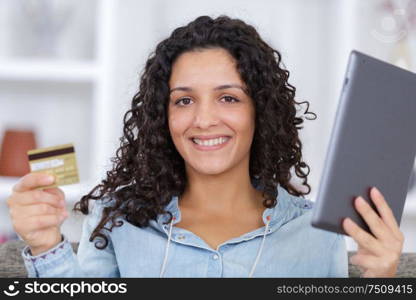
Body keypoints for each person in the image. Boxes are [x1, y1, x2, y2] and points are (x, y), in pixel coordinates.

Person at [7, 15, 404, 278]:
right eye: (184, 100)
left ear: (259, 112)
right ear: (163, 117)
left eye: (228, 98)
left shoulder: (316, 234)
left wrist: (383, 285)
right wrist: (46, 246)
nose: (203, 119)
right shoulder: (115, 220)